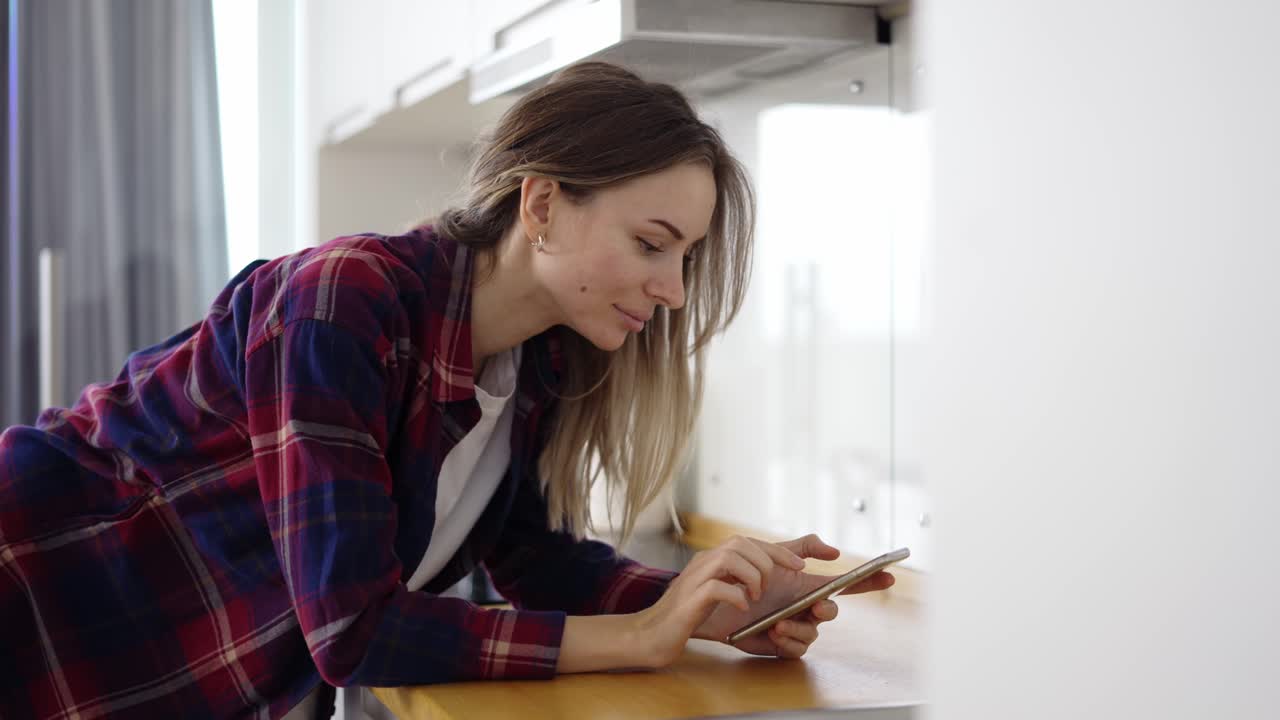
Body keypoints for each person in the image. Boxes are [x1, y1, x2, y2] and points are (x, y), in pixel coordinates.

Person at [0, 61, 894, 720]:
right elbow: (351, 631)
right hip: (33, 595)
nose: (673, 291)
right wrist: (638, 637)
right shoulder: (341, 301)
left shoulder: (531, 365)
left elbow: (534, 559)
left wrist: (708, 602)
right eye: (653, 243)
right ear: (541, 207)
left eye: (686, 259)